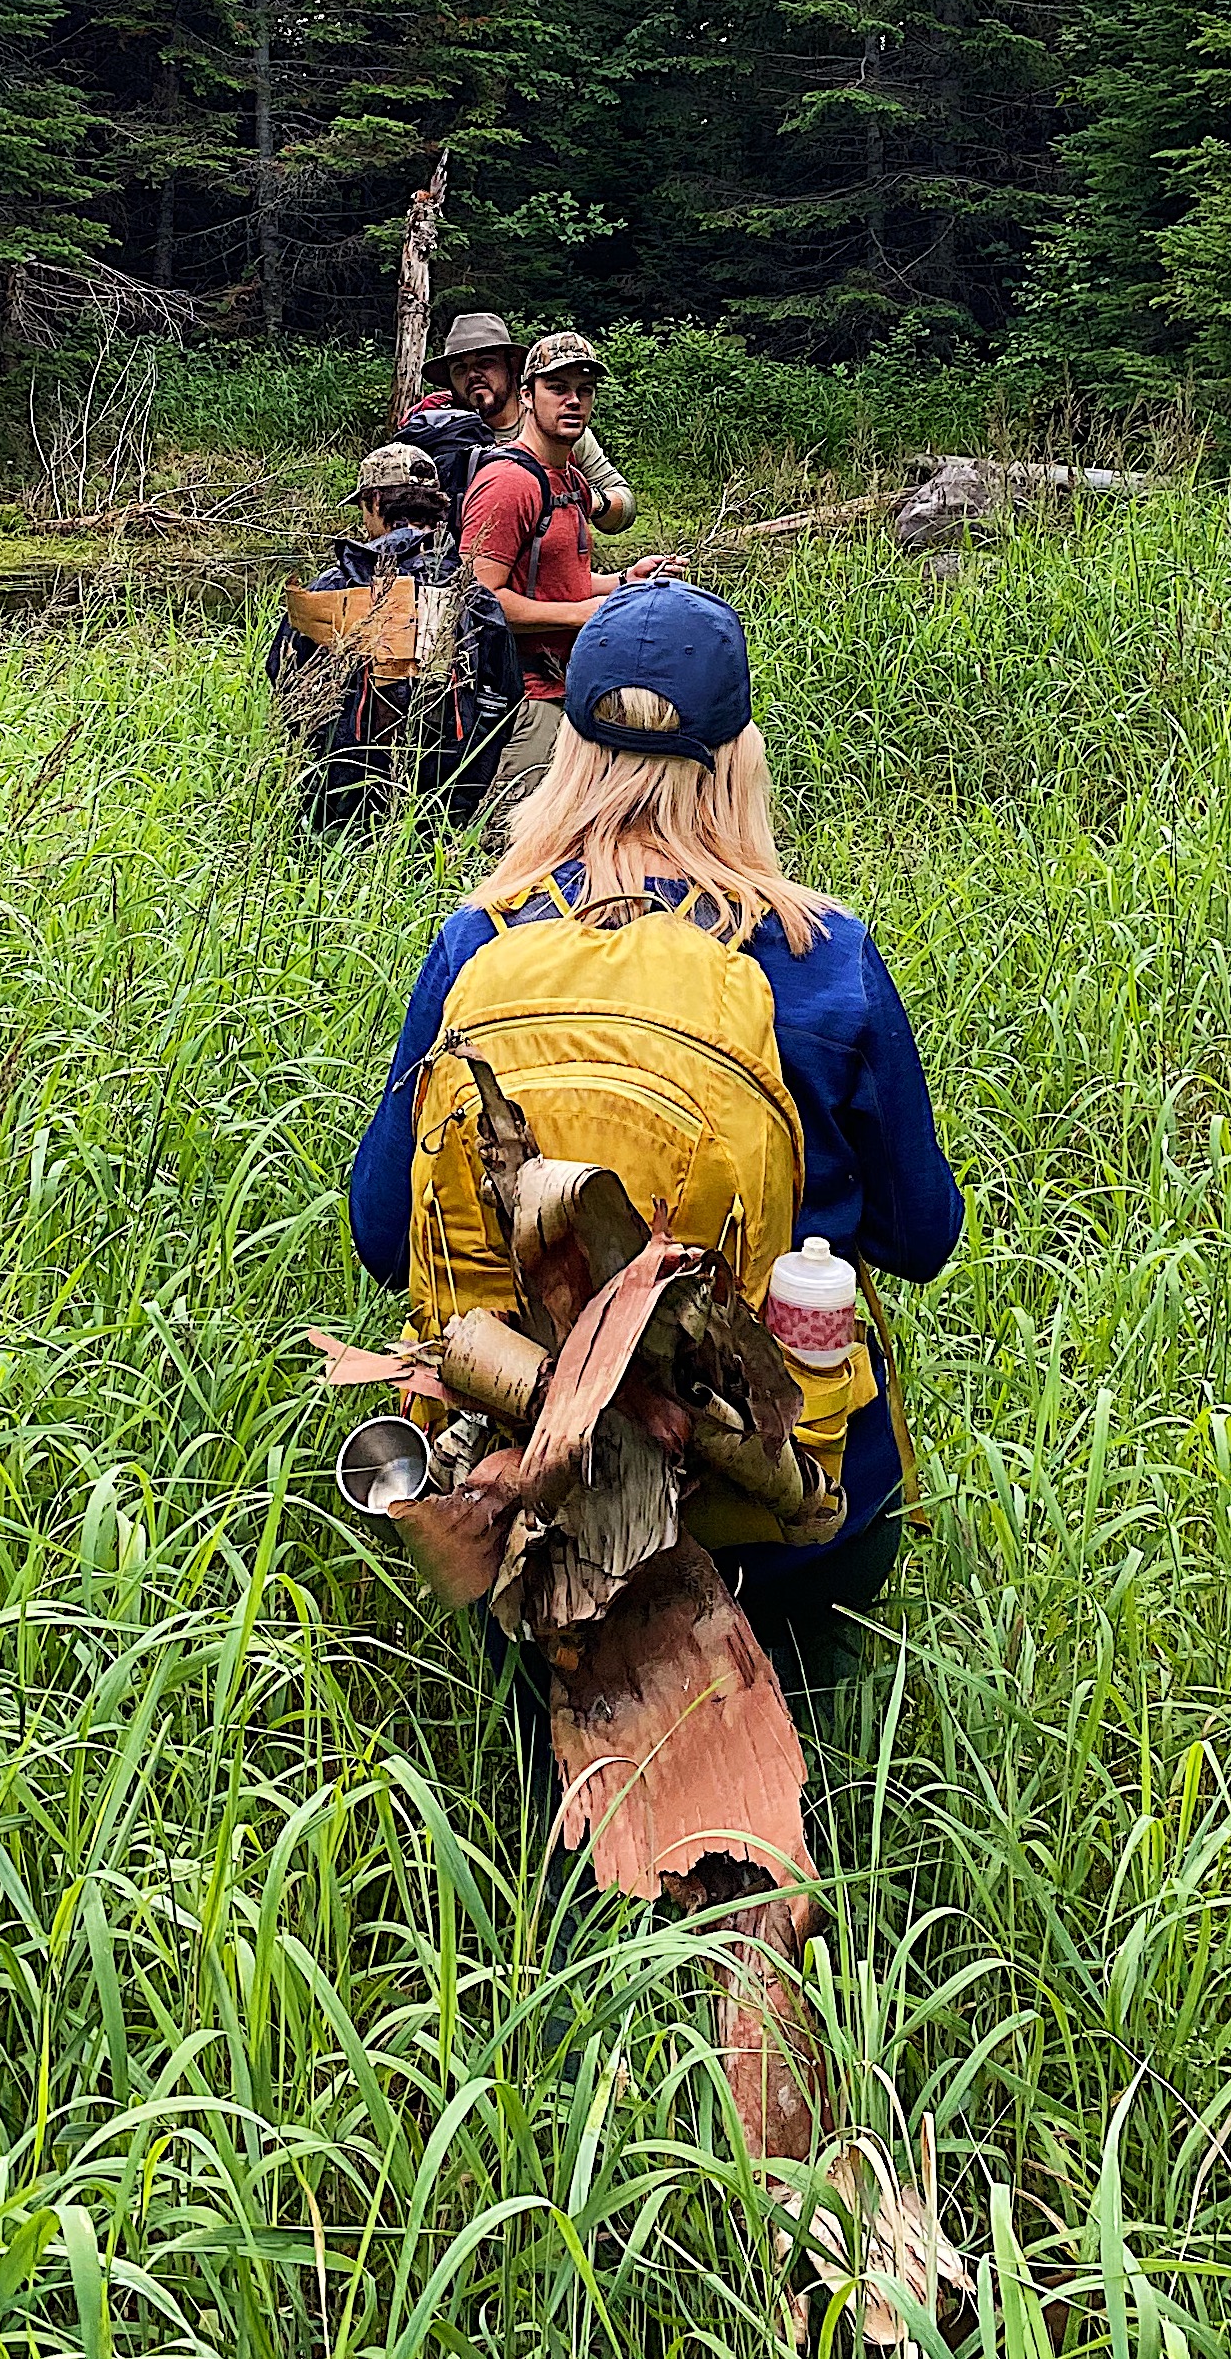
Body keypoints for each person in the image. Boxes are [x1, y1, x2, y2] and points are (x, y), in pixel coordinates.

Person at [347, 580, 963, 1694]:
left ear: (570, 757)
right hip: (779, 1525)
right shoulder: (825, 957)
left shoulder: (479, 941)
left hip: (526, 1513)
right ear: (739, 762)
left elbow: (385, 1235)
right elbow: (923, 1237)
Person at [457, 331, 674, 832]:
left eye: (584, 389)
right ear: (526, 396)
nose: (573, 400)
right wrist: (581, 615)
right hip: (525, 697)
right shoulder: (508, 482)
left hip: (572, 688)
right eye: (557, 388)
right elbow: (479, 601)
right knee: (508, 840)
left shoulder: (572, 480)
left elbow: (560, 581)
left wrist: (623, 582)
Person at [267, 441, 522, 828]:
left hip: (341, 804)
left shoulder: (333, 587)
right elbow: (506, 696)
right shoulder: (471, 594)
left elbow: (284, 678)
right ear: (436, 507)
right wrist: (468, 786)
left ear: (372, 502)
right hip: (443, 806)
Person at [400, 307, 637, 539]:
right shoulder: (434, 436)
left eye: (486, 363)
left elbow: (624, 502)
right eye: (460, 368)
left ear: (511, 367)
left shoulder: (552, 426)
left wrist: (588, 499)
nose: (472, 375)